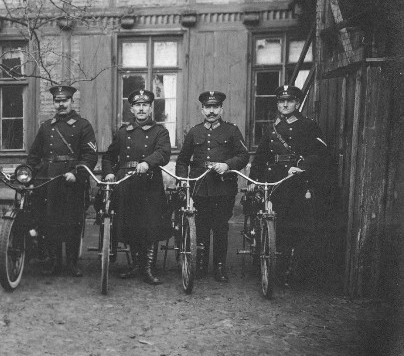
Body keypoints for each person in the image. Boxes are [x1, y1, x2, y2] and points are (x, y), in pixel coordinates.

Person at [249, 84, 328, 280]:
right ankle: (277, 266)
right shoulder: (271, 128)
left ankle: (297, 270)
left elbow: (320, 153)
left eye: (289, 101)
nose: (285, 104)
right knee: (278, 224)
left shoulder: (309, 126)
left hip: (300, 183)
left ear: (297, 102)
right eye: (281, 101)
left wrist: (303, 166)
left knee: (300, 226)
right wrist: (254, 179)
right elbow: (260, 157)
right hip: (277, 183)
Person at [175, 91, 250, 282]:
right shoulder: (194, 132)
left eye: (215, 107)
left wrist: (227, 165)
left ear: (221, 109)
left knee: (220, 228)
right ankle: (199, 264)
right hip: (199, 188)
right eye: (208, 107)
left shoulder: (231, 130)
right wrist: (184, 181)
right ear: (202, 110)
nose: (211, 111)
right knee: (200, 227)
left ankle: (219, 266)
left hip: (223, 188)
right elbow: (182, 160)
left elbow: (243, 155)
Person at [25, 85, 97, 277]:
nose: (61, 104)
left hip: (71, 180)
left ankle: (73, 264)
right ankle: (55, 262)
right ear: (54, 103)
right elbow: (34, 155)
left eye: (65, 100)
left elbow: (90, 155)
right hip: (49, 178)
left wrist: (77, 172)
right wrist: (29, 172)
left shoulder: (83, 125)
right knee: (50, 222)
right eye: (58, 101)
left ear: (72, 102)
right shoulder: (46, 126)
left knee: (72, 222)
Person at [102, 89, 172, 285]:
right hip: (126, 182)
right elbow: (108, 156)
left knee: (150, 224)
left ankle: (148, 268)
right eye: (137, 105)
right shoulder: (123, 132)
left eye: (145, 105)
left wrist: (148, 162)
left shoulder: (160, 131)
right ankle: (135, 265)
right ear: (131, 109)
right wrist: (108, 172)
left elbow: (163, 152)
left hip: (149, 182)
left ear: (151, 108)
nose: (141, 109)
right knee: (130, 223)